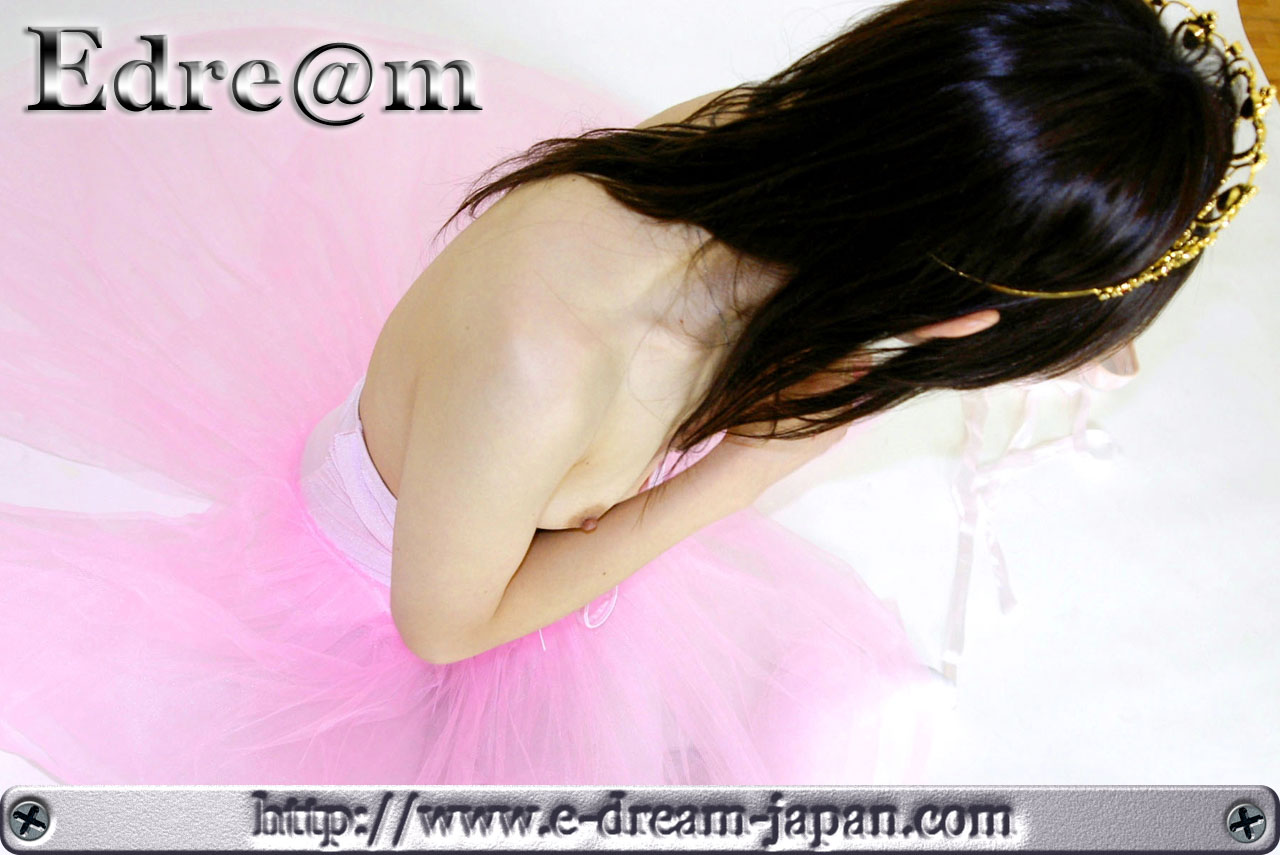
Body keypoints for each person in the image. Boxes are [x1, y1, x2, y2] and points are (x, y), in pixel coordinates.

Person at [0, 0, 1267, 786]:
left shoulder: (761, 154)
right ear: (951, 313)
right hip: (395, 607)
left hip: (514, 471)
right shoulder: (549, 364)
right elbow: (440, 627)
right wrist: (731, 480)